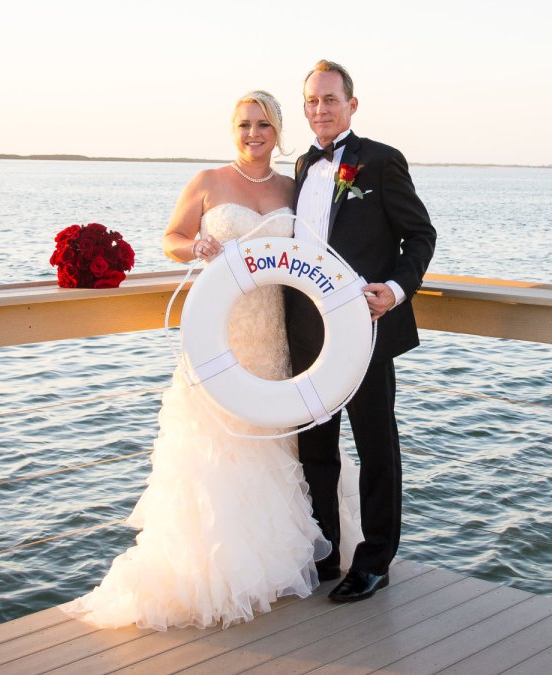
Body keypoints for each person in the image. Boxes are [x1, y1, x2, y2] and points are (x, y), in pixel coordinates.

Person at [63, 90, 360, 630]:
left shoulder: (293, 187)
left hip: (274, 340)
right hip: (219, 338)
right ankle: (216, 569)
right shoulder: (206, 181)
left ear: (277, 130)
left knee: (278, 447)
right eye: (245, 124)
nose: (254, 134)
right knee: (215, 451)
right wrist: (195, 246)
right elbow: (171, 238)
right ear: (234, 129)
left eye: (264, 124)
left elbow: (316, 252)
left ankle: (279, 561)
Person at [287, 60, 436, 602]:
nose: (320, 109)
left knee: (376, 447)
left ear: (352, 104)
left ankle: (374, 561)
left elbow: (420, 236)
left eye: (330, 99)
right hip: (306, 332)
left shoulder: (380, 161)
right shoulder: (303, 165)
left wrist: (395, 291)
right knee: (316, 448)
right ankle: (325, 553)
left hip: (367, 330)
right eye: (312, 101)